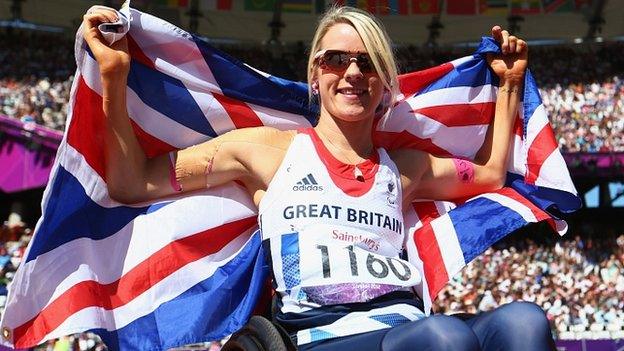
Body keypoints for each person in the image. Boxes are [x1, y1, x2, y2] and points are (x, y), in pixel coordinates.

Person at [82, 5, 554, 351]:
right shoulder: (264, 151)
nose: (352, 72)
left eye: (368, 63)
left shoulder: (404, 169)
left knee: (524, 324)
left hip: (405, 326)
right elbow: (133, 183)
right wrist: (115, 77)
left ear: (386, 84)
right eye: (336, 60)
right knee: (443, 337)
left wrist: (510, 85)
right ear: (315, 74)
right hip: (318, 334)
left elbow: (491, 174)